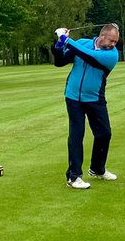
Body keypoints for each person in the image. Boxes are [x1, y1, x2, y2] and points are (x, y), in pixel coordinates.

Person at [52, 23, 121, 189]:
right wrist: (59, 44)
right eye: (111, 40)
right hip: (73, 96)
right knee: (76, 134)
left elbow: (88, 56)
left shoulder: (112, 55)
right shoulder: (82, 42)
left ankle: (97, 169)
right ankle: (73, 177)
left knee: (104, 134)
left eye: (116, 42)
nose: (114, 44)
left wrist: (66, 39)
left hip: (95, 98)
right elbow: (60, 61)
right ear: (102, 36)